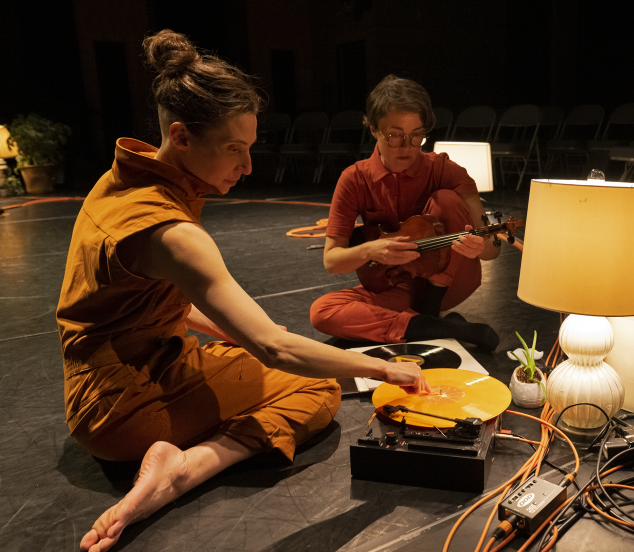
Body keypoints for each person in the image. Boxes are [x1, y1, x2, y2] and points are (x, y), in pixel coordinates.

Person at [57, 31, 430, 552]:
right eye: (235, 150)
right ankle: (184, 469)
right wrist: (384, 368)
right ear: (182, 136)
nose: (248, 167)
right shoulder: (174, 231)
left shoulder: (124, 180)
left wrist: (237, 332)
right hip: (125, 408)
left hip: (101, 385)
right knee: (317, 390)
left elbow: (161, 301)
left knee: (263, 345)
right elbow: (275, 348)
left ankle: (181, 448)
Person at [310, 75, 500, 351]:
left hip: (452, 281)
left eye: (417, 136)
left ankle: (430, 314)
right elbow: (332, 260)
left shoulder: (447, 171)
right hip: (400, 286)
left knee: (445, 200)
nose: (407, 147)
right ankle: (441, 327)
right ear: (374, 129)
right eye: (395, 136)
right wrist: (371, 250)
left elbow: (492, 249)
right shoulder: (353, 179)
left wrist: (480, 246)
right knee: (323, 311)